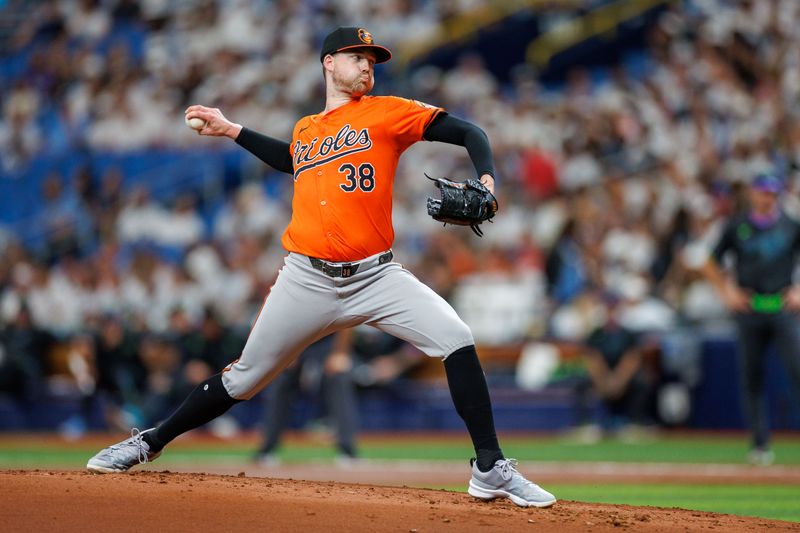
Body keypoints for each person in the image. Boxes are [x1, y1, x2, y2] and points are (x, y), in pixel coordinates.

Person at [86, 27, 556, 508]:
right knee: (242, 380)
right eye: (358, 56)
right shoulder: (307, 129)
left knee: (456, 337)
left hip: (376, 276)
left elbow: (469, 132)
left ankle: (489, 467)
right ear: (329, 63)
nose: (368, 65)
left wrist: (487, 180)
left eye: (373, 59)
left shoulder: (387, 112)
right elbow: (295, 161)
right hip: (305, 279)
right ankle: (148, 442)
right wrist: (233, 130)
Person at [702, 172, 800, 465]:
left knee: (797, 371)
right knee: (752, 377)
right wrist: (727, 292)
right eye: (762, 192)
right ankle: (760, 444)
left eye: (771, 193)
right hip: (749, 310)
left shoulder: (791, 226)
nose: (766, 198)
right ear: (753, 194)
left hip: (781, 308)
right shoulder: (737, 226)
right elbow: (709, 262)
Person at [255, 331, 359, 464]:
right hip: (297, 338)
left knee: (339, 378)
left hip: (327, 340)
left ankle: (347, 450)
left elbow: (348, 321)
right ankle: (267, 449)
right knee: (282, 380)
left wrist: (340, 352)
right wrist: (286, 350)